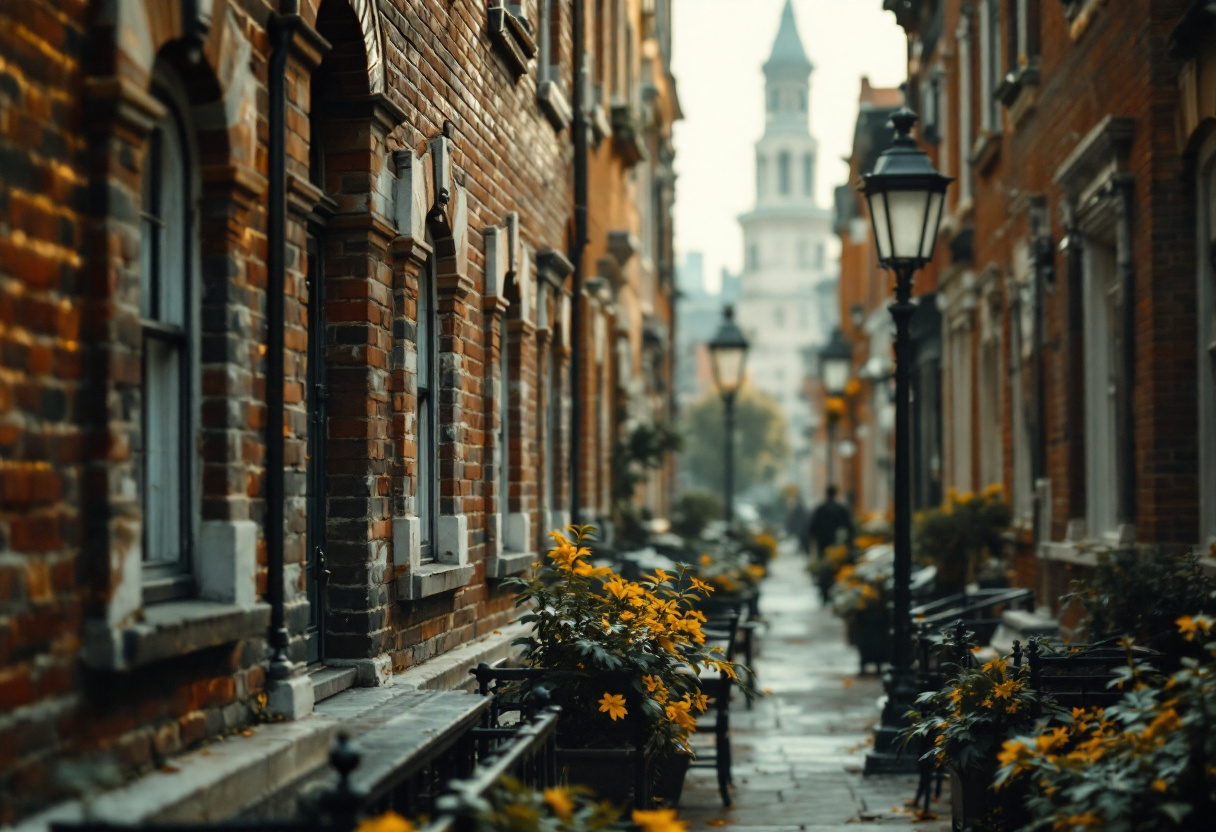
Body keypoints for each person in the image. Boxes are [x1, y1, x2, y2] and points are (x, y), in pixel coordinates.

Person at [806, 485, 854, 604]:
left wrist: (812, 543)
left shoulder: (820, 509)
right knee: (837, 568)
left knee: (824, 568)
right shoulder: (841, 509)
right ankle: (835, 591)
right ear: (835, 494)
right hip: (837, 544)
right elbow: (849, 527)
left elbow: (812, 529)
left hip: (823, 543)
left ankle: (824, 591)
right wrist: (849, 543)